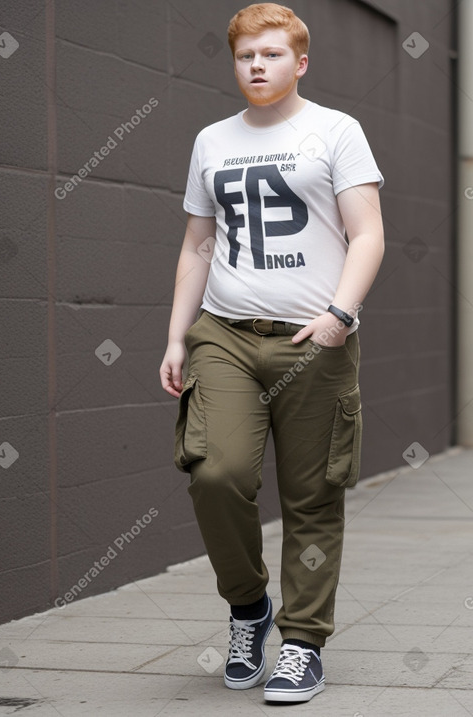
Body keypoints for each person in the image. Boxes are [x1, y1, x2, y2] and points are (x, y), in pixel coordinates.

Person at [159, 2, 384, 704]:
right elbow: (198, 242)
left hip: (312, 339)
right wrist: (176, 333)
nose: (257, 65)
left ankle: (304, 643)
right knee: (215, 472)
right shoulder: (211, 140)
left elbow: (368, 233)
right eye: (246, 56)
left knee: (313, 495)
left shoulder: (336, 132)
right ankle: (249, 606)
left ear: (301, 61)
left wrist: (339, 315)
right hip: (225, 333)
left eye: (272, 54)